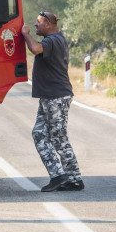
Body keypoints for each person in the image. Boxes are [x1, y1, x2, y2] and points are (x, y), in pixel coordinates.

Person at [20, 10, 84, 192]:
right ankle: (61, 176)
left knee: (58, 137)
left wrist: (25, 35)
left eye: (38, 22)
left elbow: (35, 49)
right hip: (49, 97)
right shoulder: (56, 39)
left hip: (56, 97)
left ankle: (73, 178)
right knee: (39, 134)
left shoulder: (52, 41)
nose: (35, 25)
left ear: (48, 24)